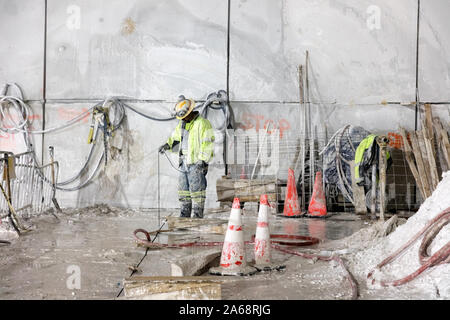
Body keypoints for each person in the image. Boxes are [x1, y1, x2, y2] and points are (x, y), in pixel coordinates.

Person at [159, 96, 215, 218]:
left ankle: (197, 216)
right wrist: (167, 145)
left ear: (190, 112)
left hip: (196, 163)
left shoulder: (203, 123)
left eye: (184, 116)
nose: (182, 118)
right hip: (184, 162)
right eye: (181, 117)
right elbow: (175, 137)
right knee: (183, 190)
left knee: (197, 191)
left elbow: (208, 143)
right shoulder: (183, 124)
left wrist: (202, 160)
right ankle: (184, 215)